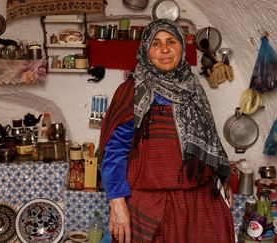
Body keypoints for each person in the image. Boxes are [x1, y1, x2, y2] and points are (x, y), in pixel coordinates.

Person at [99, 19, 235, 243]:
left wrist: (221, 177)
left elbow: (209, 140)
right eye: (156, 43)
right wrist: (116, 201)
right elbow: (114, 152)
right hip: (149, 203)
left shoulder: (193, 90)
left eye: (171, 41)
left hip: (197, 202)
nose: (164, 49)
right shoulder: (132, 92)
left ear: (182, 47)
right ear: (145, 50)